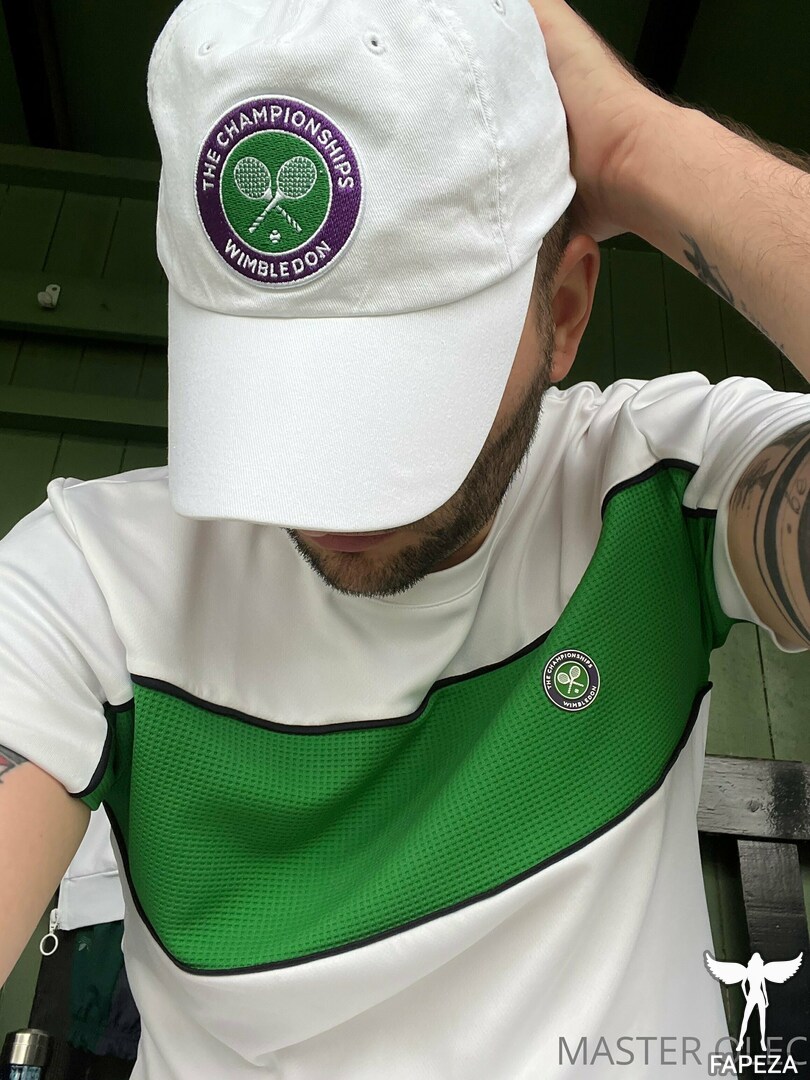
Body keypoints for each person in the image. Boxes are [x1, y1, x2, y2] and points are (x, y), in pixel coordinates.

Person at [1, 0, 809, 1076]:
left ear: (565, 311)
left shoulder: (659, 487)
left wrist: (638, 143)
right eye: (271, 390)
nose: (333, 492)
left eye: (411, 395)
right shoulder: (93, 584)